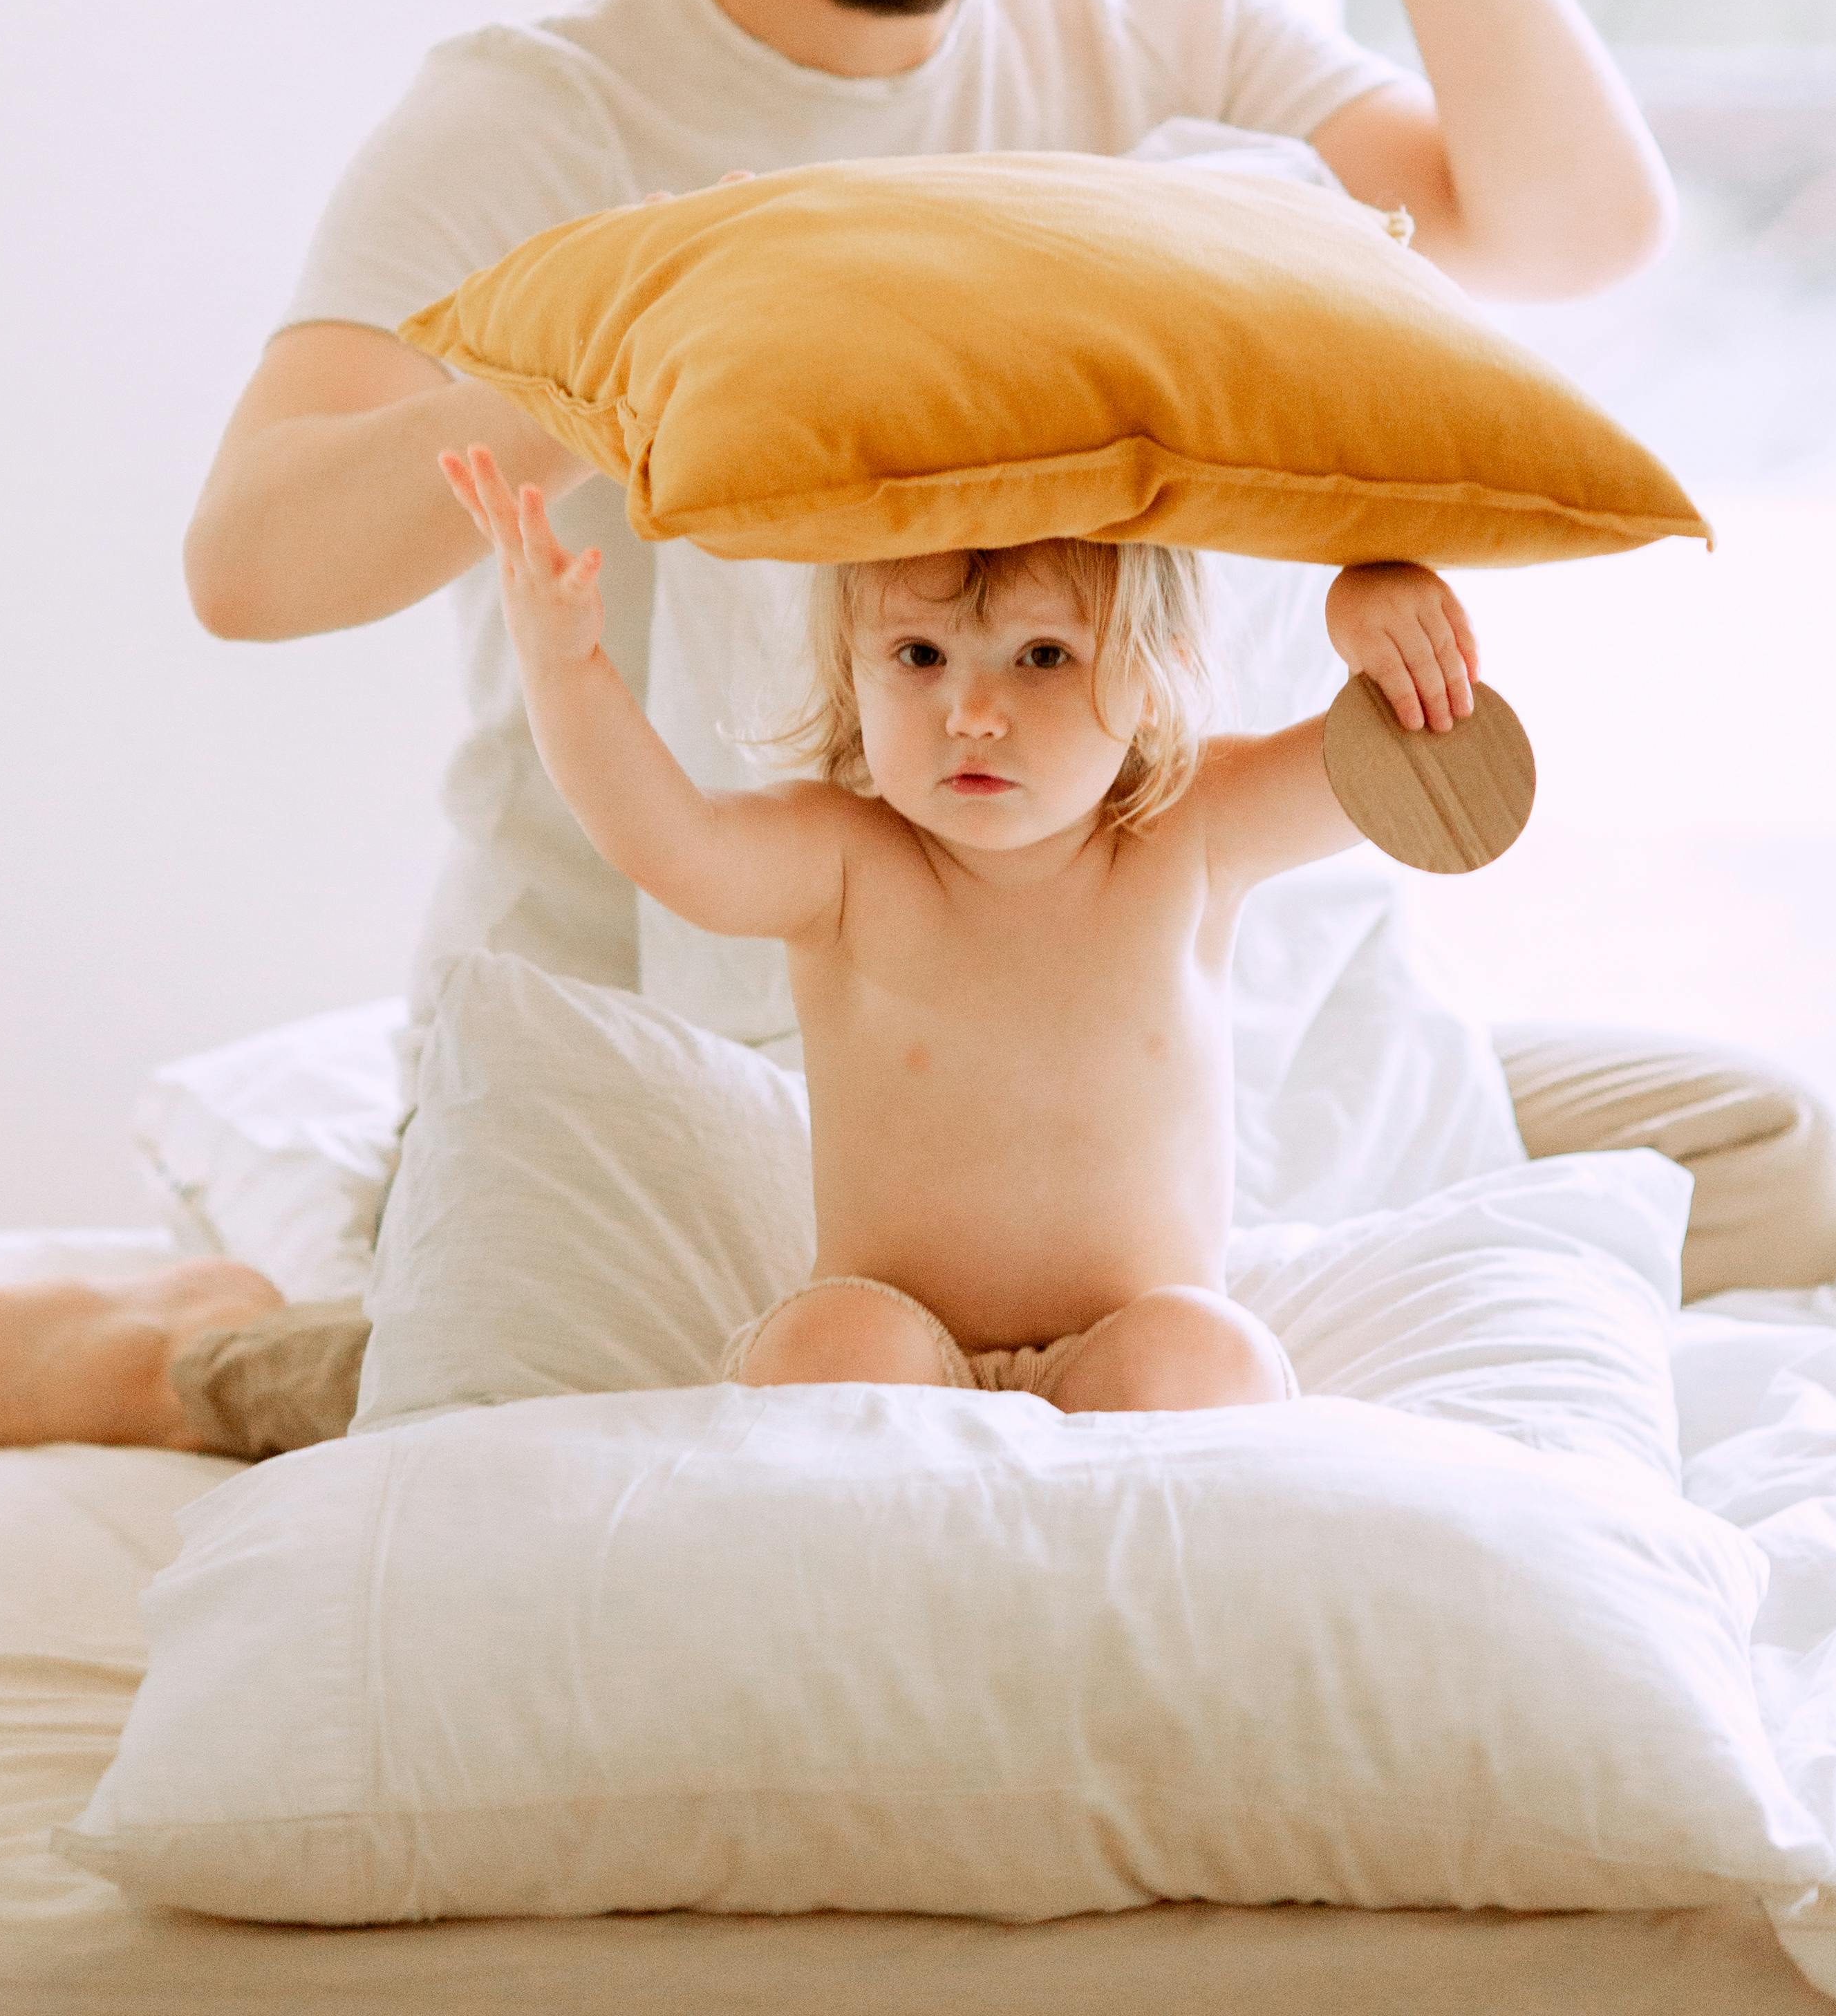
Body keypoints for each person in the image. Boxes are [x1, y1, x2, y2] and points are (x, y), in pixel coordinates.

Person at [0, 0, 1836, 1457]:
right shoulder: (541, 117)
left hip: (1147, 999)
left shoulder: (1148, 35)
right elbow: (249, 566)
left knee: (1768, 1157)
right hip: (718, 1026)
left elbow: (1571, 228)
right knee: (624, 1356)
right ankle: (194, 1354)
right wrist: (647, 343)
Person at [445, 438, 1486, 1411]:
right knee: (827, 1349)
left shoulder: (1192, 831)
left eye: (1041, 657)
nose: (972, 712)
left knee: (1208, 1356)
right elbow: (670, 842)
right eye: (919, 655)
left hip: (1125, 1338)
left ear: (1156, 671)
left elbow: (1410, 756)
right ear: (852, 669)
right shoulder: (847, 860)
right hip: (899, 1332)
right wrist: (564, 670)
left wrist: (1375, 609)